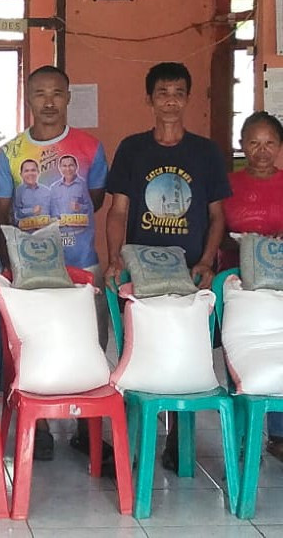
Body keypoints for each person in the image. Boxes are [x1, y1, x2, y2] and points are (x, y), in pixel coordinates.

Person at [106, 61, 231, 471]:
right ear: (150, 99)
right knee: (137, 353)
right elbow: (118, 211)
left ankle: (178, 438)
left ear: (188, 98)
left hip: (189, 274)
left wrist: (207, 262)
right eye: (163, 93)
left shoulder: (206, 153)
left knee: (186, 354)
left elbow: (216, 216)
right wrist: (115, 258)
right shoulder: (132, 149)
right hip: (141, 274)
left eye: (178, 93)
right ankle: (132, 442)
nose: (171, 101)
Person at [0, 65, 108, 462]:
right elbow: (1, 213)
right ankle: (37, 428)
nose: (49, 102)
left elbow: (94, 200)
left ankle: (86, 428)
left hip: (82, 265)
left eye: (57, 93)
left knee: (89, 345)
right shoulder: (10, 153)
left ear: (68, 97)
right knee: (33, 346)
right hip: (30, 272)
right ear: (28, 99)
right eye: (40, 93)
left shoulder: (91, 148)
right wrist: (12, 266)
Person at [221, 110, 283, 462]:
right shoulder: (227, 184)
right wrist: (246, 244)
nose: (261, 151)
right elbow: (216, 231)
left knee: (277, 354)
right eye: (254, 143)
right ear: (242, 144)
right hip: (235, 283)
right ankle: (241, 433)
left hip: (278, 286)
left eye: (269, 143)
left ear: (280, 146)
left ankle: (279, 433)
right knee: (240, 355)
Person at [13, 158, 51, 226]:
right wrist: (31, 211)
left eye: (33, 170)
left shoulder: (47, 191)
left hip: (46, 230)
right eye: (26, 171)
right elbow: (15, 214)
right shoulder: (17, 192)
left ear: (38, 172)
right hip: (24, 231)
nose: (30, 173)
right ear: (21, 174)